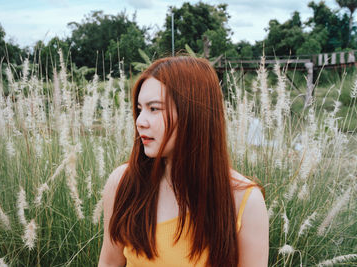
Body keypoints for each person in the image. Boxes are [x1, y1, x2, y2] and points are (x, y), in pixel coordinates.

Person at [98, 56, 269, 267]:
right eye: (140, 109)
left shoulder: (244, 200)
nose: (140, 122)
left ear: (194, 114)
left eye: (154, 109)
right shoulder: (123, 183)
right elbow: (109, 263)